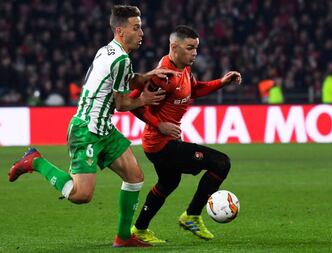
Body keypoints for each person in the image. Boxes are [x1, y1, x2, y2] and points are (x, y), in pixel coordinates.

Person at [8, 5, 176, 247]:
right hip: (86, 129)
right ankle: (35, 161)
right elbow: (121, 103)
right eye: (136, 28)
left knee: (135, 176)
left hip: (103, 128)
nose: (142, 33)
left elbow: (128, 77)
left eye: (141, 27)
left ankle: (123, 236)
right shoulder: (120, 59)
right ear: (120, 31)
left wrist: (148, 75)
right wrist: (144, 100)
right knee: (81, 195)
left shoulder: (110, 51)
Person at [128, 25, 242, 243]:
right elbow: (132, 102)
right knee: (221, 163)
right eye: (190, 48)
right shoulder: (163, 75)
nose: (194, 53)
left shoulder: (184, 69)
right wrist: (159, 124)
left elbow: (195, 89)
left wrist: (221, 82)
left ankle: (139, 229)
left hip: (163, 143)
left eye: (196, 48)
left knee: (168, 183)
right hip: (161, 144)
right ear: (174, 47)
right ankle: (192, 215)